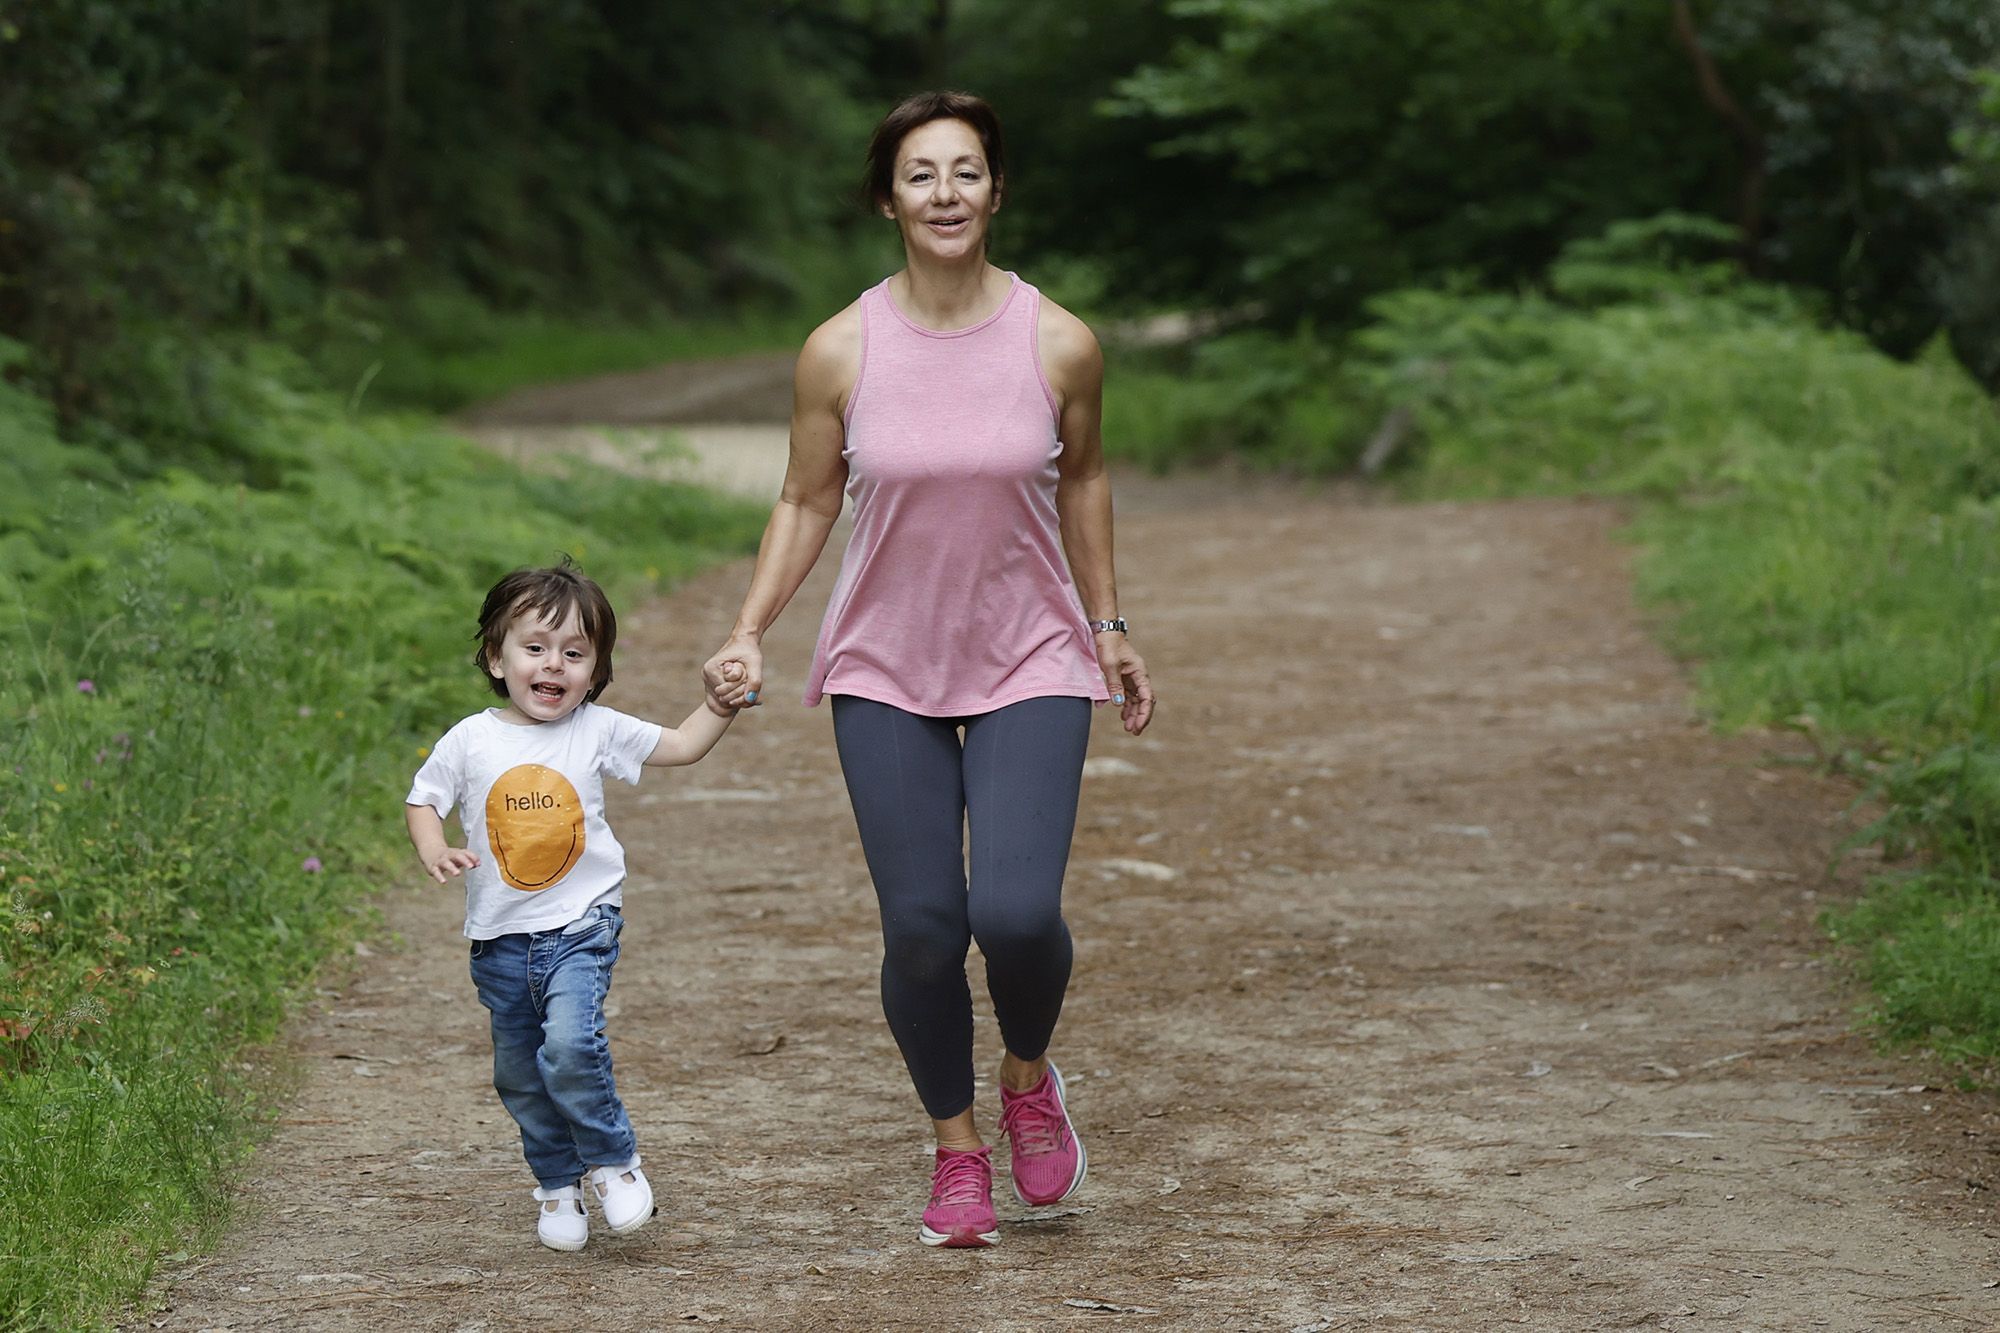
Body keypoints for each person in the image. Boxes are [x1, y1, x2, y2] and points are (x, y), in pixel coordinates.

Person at [701, 90, 1156, 1249]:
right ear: (887, 198)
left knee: (1013, 913)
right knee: (918, 930)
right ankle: (957, 1151)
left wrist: (1107, 623)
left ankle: (1025, 1078)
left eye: (965, 172)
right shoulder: (840, 348)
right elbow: (805, 498)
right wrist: (750, 624)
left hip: (1032, 656)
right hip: (884, 662)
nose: (944, 193)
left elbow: (1085, 481)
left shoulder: (1059, 341)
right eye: (920, 175)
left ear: (995, 192)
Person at [405, 560, 739, 1252]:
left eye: (575, 652)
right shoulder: (471, 738)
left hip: (580, 926)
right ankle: (557, 1185)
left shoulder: (595, 729)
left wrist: (719, 706)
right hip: (498, 940)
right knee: (521, 1076)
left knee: (569, 1045)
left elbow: (679, 745)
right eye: (534, 647)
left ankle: (614, 1162)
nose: (553, 664)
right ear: (496, 657)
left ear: (595, 668)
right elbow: (423, 798)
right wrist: (434, 846)